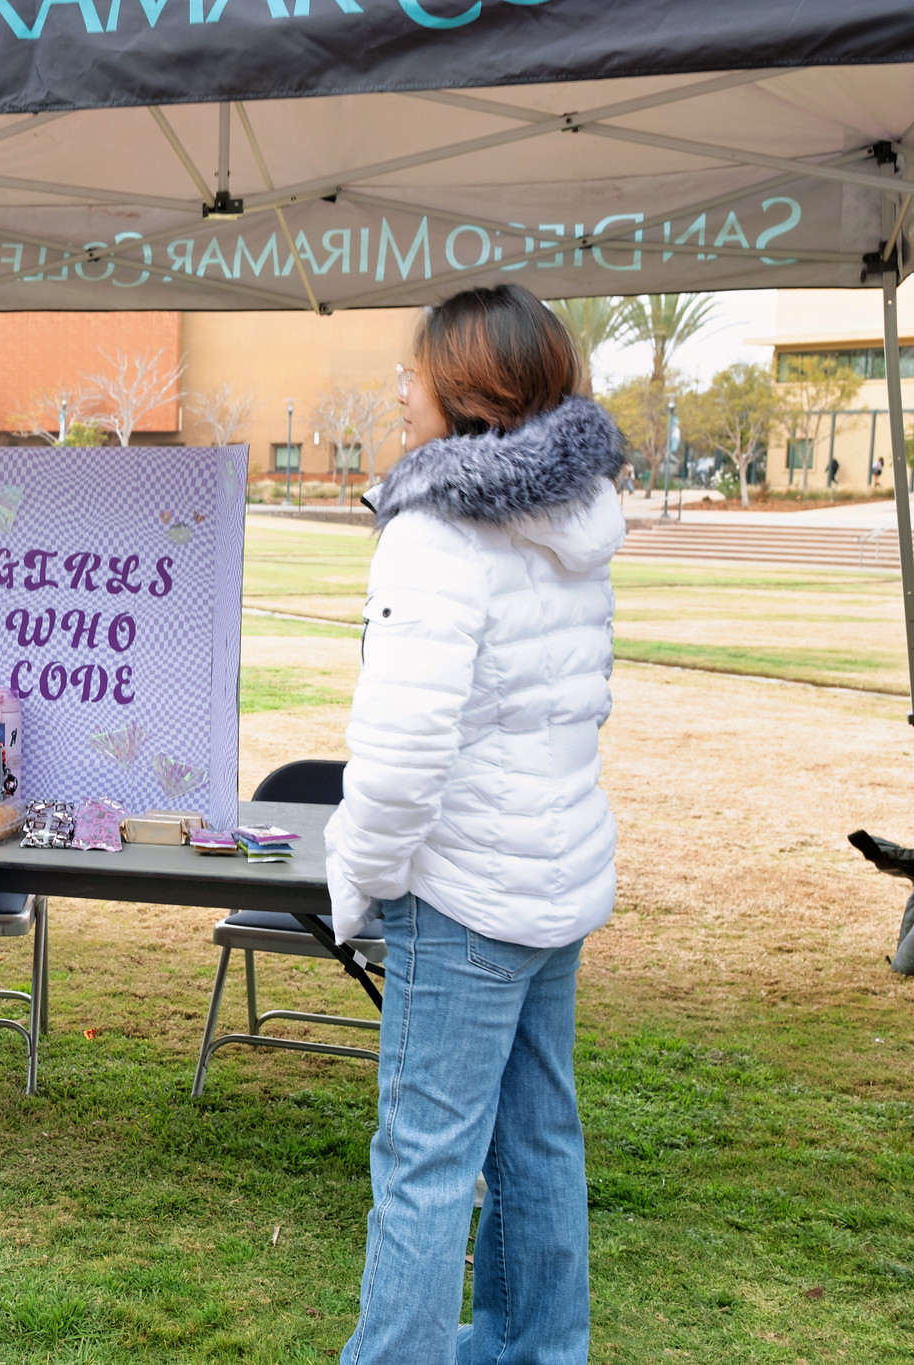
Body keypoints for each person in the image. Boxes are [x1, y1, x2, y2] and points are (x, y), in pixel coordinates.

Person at [328, 283, 624, 1364]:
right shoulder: (572, 520)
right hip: (549, 881)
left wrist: (354, 883)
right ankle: (534, 1348)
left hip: (462, 892)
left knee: (424, 1159)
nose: (398, 390)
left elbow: (403, 749)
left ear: (461, 389)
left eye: (411, 372)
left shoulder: (434, 532)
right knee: (538, 1139)